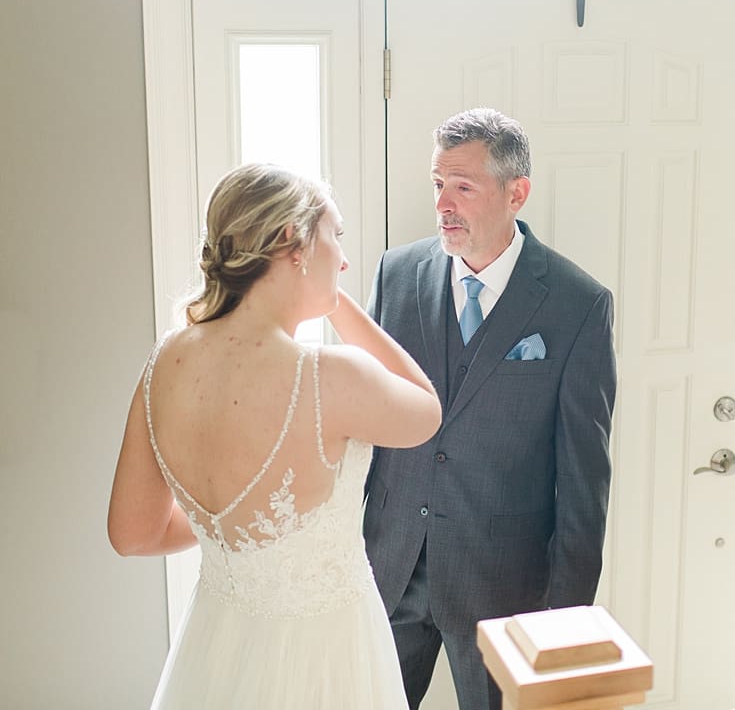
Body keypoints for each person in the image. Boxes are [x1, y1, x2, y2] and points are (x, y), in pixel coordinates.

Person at [107, 163, 442, 708]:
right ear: (294, 243)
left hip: (216, 646)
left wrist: (235, 535)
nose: (344, 257)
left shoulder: (165, 360)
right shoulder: (330, 376)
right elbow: (426, 410)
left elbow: (133, 535)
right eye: (335, 235)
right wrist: (341, 307)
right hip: (330, 656)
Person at [363, 108, 618, 709]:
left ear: (516, 193)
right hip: (391, 569)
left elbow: (585, 480)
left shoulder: (578, 305)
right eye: (438, 185)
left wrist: (565, 620)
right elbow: (368, 424)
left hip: (503, 588)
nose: (443, 204)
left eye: (463, 187)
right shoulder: (395, 275)